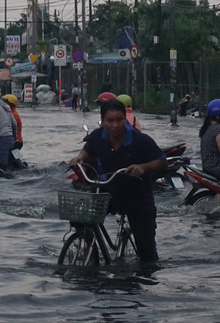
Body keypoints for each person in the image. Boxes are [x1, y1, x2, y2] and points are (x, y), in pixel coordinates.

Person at [69, 97, 167, 264]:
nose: (115, 125)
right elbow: (87, 150)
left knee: (147, 253)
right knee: (79, 217)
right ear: (103, 121)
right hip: (108, 193)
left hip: (138, 197)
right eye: (110, 121)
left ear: (125, 118)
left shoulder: (140, 140)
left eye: (119, 120)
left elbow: (162, 161)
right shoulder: (97, 136)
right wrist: (79, 158)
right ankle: (89, 248)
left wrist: (143, 167)